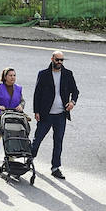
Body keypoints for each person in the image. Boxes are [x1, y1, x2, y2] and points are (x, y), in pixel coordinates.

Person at [31, 51, 79, 180]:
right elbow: (37, 93)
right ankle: (29, 159)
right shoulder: (44, 74)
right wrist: (36, 111)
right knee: (38, 139)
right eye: (57, 60)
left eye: (62, 60)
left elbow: (75, 91)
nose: (59, 62)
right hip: (46, 114)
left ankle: (55, 167)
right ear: (52, 59)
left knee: (58, 141)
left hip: (61, 114)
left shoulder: (68, 74)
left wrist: (72, 102)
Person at [0, 67, 25, 166]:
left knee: (12, 139)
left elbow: (22, 101)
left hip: (13, 117)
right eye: (10, 75)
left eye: (14, 75)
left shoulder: (18, 88)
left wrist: (21, 106)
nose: (13, 77)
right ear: (5, 77)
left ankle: (11, 159)